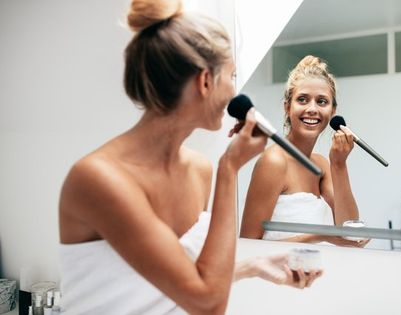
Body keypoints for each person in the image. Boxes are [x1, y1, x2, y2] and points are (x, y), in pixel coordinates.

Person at [58, 1, 322, 314]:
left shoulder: (198, 170)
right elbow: (208, 303)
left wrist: (254, 265)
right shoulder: (99, 179)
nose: (233, 93)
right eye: (231, 77)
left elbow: (180, 280)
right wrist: (230, 169)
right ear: (205, 82)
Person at [240, 55, 369, 247]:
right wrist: (320, 236)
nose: (312, 109)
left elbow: (350, 231)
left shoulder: (322, 165)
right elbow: (248, 244)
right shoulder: (274, 162)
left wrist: (339, 164)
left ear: (333, 112)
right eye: (302, 100)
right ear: (287, 107)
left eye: (322, 102)